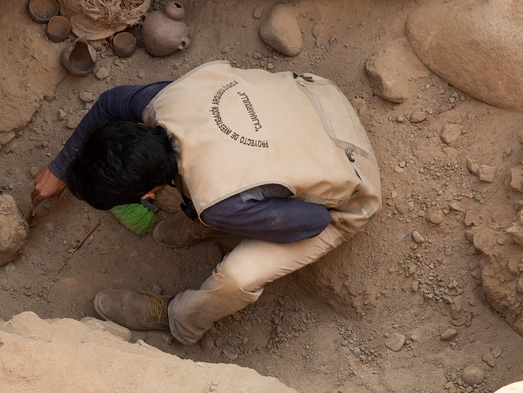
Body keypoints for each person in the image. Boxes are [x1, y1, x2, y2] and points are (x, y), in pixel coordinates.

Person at [30, 60, 382, 345]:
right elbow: (109, 103)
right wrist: (61, 168)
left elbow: (313, 220)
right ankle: (222, 215)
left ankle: (178, 320)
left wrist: (237, 216)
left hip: (350, 182)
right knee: (223, 196)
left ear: (147, 196)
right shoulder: (166, 101)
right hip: (319, 96)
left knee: (236, 276)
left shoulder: (219, 202)